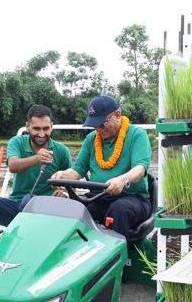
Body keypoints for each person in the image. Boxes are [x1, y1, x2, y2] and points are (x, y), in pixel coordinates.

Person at [0, 104, 72, 245]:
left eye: (46, 128)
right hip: (16, 206)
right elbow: (13, 165)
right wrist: (37, 159)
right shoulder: (16, 142)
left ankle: (28, 243)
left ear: (52, 126)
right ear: (27, 126)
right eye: (36, 129)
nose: (41, 134)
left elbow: (72, 183)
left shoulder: (61, 151)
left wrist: (64, 192)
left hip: (46, 210)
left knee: (29, 200)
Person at [50, 95, 151, 240]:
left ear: (117, 115)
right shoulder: (91, 139)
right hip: (98, 197)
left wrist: (123, 180)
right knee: (74, 210)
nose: (99, 129)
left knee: (119, 209)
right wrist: (61, 176)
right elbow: (77, 170)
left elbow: (140, 169)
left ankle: (119, 258)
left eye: (102, 124)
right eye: (95, 125)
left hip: (133, 198)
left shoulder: (137, 135)